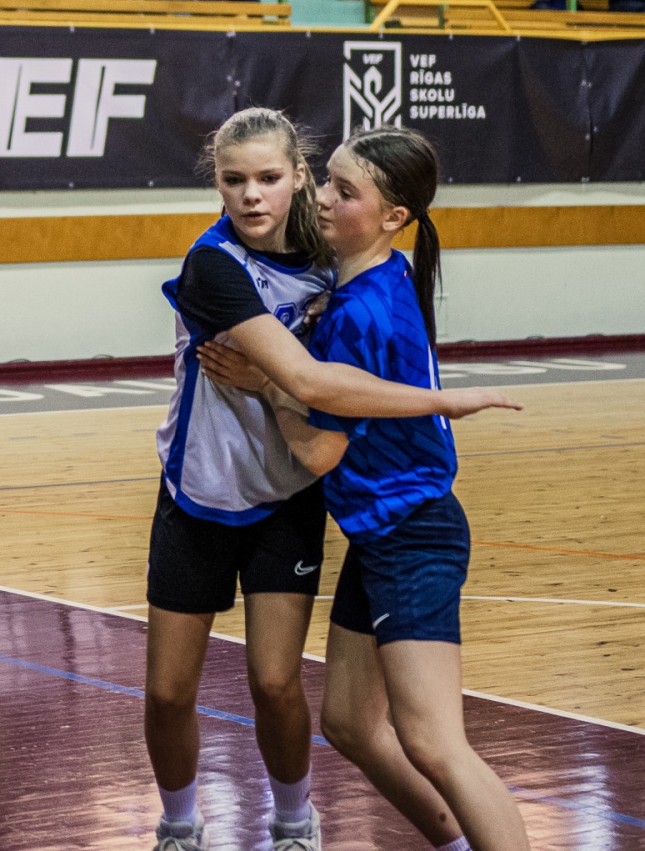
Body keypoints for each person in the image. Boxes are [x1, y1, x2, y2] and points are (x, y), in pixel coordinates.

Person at [144, 108, 497, 851]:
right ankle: (179, 826)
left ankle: (295, 824)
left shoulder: (334, 255)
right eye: (233, 179)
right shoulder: (214, 266)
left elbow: (316, 408)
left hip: (296, 497)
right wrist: (439, 400)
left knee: (281, 685)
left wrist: (429, 399)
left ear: (297, 179)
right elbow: (308, 379)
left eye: (270, 177)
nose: (251, 195)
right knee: (171, 693)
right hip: (201, 493)